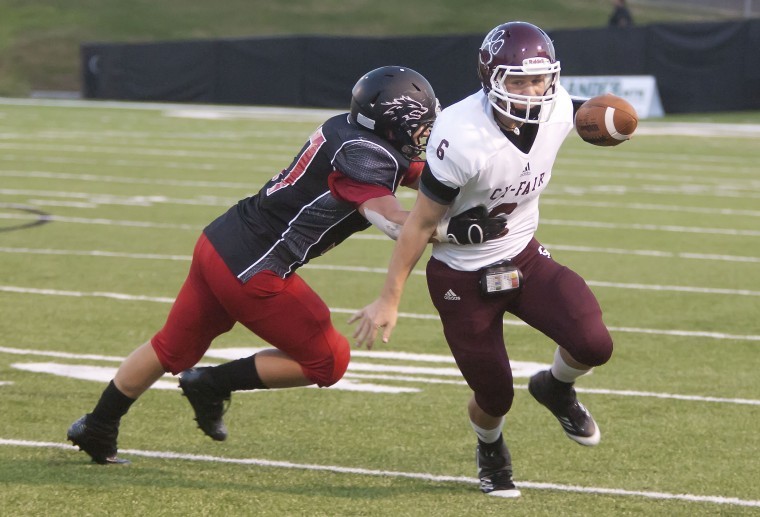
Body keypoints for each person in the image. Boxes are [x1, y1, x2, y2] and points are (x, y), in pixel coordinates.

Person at [66, 65, 507, 464]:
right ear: (390, 125)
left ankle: (97, 426)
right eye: (419, 125)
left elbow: (414, 172)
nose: (425, 133)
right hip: (256, 270)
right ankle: (211, 384)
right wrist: (454, 230)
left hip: (219, 243)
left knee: (169, 348)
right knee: (329, 361)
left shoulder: (349, 131)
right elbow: (394, 222)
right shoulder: (362, 157)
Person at [351, 22, 614, 498]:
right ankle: (489, 447)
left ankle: (555, 387)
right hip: (461, 275)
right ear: (490, 77)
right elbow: (420, 223)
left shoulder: (556, 106)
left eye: (538, 80)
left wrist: (610, 121)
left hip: (522, 254)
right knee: (494, 397)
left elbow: (579, 113)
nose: (531, 92)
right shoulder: (462, 134)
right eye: (517, 81)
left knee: (593, 343)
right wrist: (389, 297)